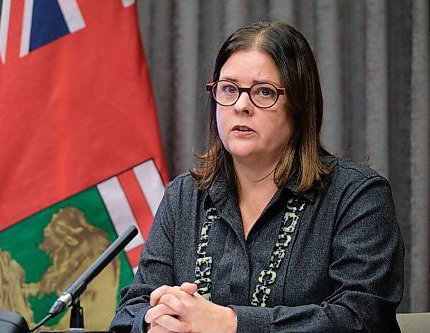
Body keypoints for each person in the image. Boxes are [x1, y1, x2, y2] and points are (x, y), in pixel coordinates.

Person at [110, 21, 404, 333]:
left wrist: (231, 323)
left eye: (264, 92)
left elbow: (362, 317)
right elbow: (131, 309)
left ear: (300, 106)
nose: (241, 106)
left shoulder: (357, 195)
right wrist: (154, 321)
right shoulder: (184, 196)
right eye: (229, 89)